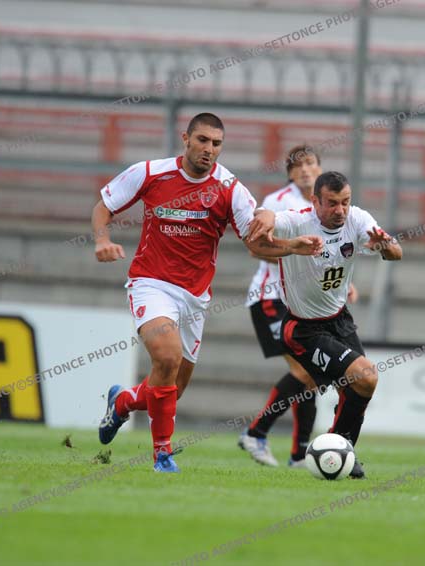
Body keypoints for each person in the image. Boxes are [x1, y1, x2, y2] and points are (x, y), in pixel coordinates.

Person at [92, 113, 322, 473]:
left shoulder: (229, 188)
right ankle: (162, 455)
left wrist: (292, 246)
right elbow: (104, 206)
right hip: (151, 283)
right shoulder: (150, 173)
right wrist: (102, 240)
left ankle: (122, 402)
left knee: (172, 388)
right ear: (186, 138)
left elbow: (255, 243)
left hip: (195, 297)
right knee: (166, 358)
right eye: (202, 140)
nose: (209, 149)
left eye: (216, 144)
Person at [245, 171, 402, 479]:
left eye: (345, 202)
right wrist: (289, 244)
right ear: (315, 201)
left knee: (359, 386)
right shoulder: (297, 220)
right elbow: (255, 244)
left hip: (340, 321)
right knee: (363, 376)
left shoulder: (358, 219)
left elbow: (396, 253)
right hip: (304, 329)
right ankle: (322, 447)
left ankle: (339, 449)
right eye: (332, 203)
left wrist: (384, 246)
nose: (340, 210)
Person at [239, 145, 358, 468]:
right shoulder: (278, 202)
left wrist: (339, 282)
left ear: (320, 169)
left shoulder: (330, 205)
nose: (304, 170)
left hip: (307, 300)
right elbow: (255, 248)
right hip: (272, 297)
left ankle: (298, 454)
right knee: (306, 372)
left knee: (311, 377)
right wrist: (293, 252)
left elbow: (332, 253)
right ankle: (256, 433)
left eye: (310, 163)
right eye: (297, 166)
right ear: (289, 173)